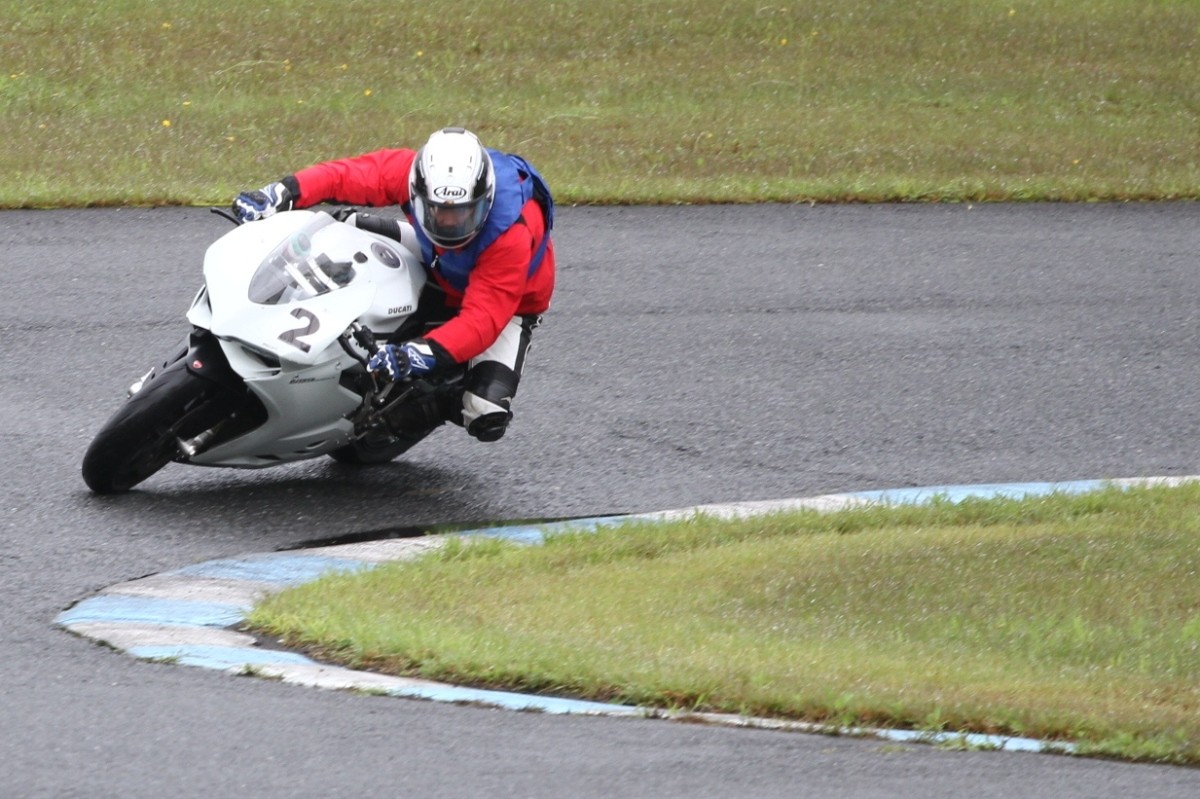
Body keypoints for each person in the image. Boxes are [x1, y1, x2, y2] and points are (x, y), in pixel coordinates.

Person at [232, 127, 555, 443]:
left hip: (510, 303)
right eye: (437, 211)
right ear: (418, 191)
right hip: (435, 256)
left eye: (462, 213)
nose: (448, 223)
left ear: (486, 199)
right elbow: (345, 176)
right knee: (346, 224)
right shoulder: (410, 172)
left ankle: (431, 400)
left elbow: (482, 320)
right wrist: (281, 192)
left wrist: (418, 354)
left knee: (484, 412)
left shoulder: (510, 233)